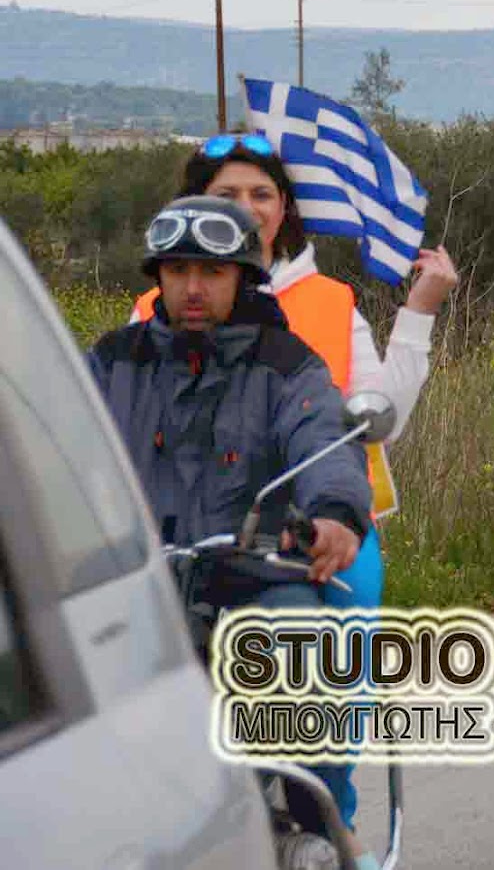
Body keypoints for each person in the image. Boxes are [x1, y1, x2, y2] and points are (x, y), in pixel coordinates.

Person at [130, 133, 456, 862]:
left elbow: (342, 430)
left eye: (261, 195)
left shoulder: (318, 313)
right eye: (226, 196)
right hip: (168, 551)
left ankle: (325, 822)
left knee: (321, 663)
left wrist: (337, 512)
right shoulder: (133, 335)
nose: (246, 208)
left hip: (297, 544)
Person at [89, 197, 372, 844]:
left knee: (304, 651)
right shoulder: (113, 362)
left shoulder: (286, 363)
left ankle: (324, 826)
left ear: (243, 275)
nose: (193, 287)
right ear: (157, 275)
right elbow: (52, 443)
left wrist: (334, 514)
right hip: (140, 584)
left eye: (212, 272)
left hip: (257, 576)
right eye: (178, 269)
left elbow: (324, 436)